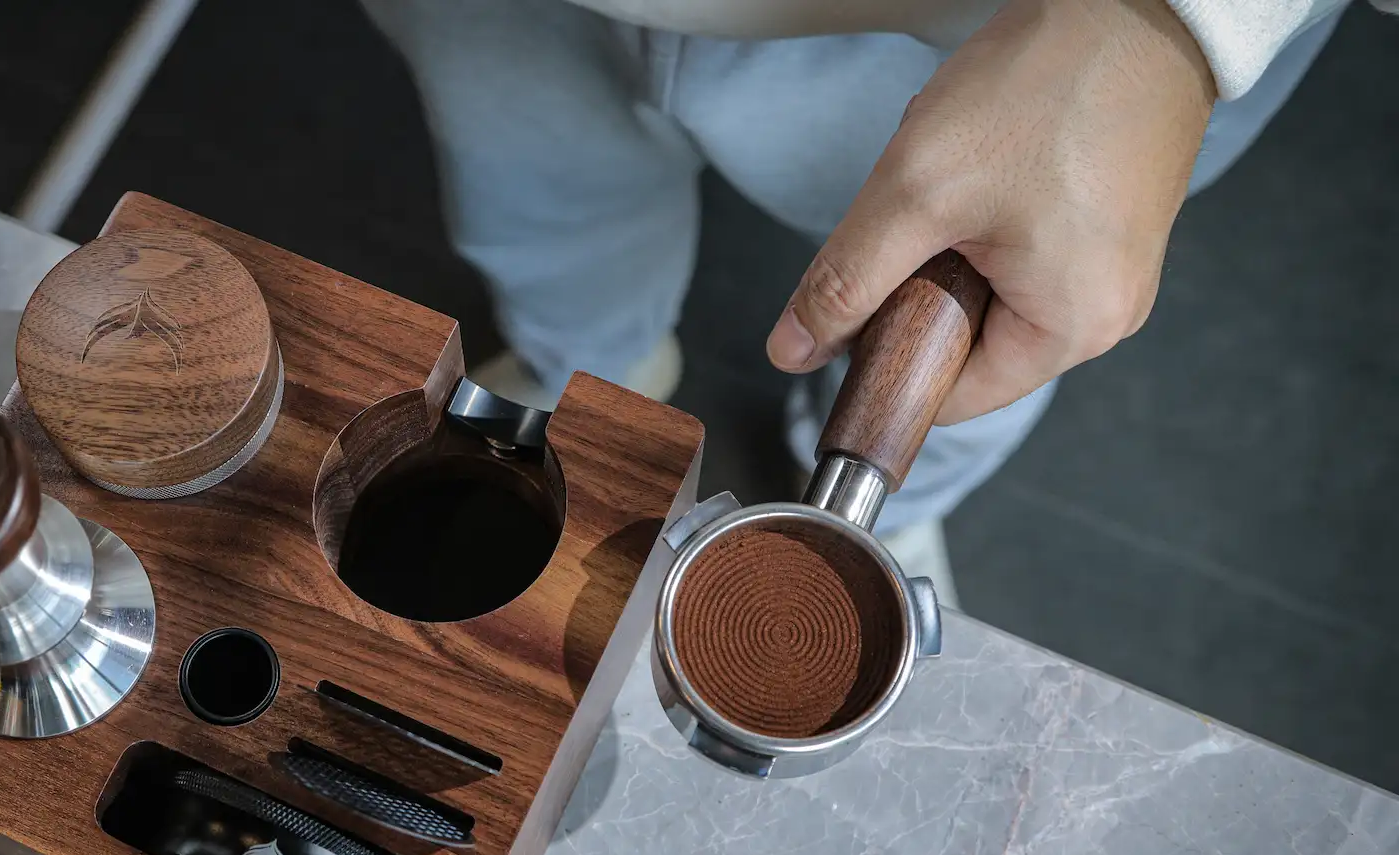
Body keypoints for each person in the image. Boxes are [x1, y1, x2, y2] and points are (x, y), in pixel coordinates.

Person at [361, 0, 1374, 601]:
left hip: (1012, 38)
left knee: (967, 322)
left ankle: (886, 515)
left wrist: (1171, 25)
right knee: (534, 201)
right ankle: (586, 361)